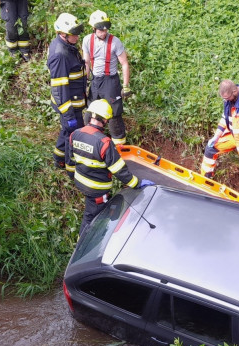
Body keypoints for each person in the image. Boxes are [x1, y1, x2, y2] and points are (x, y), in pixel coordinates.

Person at [66, 99, 155, 235]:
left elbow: (70, 160)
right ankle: (83, 245)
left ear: (90, 116)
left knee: (101, 210)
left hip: (81, 182)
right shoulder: (104, 143)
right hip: (97, 190)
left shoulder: (75, 134)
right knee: (91, 218)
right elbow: (119, 170)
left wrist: (74, 176)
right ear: (105, 120)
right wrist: (137, 183)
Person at [200, 80, 239, 202]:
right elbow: (225, 118)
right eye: (224, 98)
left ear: (235, 91)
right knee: (210, 150)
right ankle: (205, 181)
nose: (226, 100)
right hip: (234, 136)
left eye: (228, 98)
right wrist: (216, 137)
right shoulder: (228, 99)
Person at [82, 10, 132, 147]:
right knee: (91, 110)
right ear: (93, 28)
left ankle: (120, 147)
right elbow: (86, 62)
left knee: (115, 114)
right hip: (95, 81)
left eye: (105, 30)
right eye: (100, 30)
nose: (103, 32)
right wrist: (85, 80)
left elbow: (124, 63)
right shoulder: (87, 40)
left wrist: (126, 85)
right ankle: (90, 141)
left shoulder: (115, 42)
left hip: (110, 81)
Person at [47, 13, 87, 170]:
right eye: (73, 34)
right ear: (62, 34)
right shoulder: (60, 55)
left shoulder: (67, 46)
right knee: (74, 136)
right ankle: (72, 169)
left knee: (66, 131)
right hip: (68, 104)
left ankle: (58, 158)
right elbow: (59, 88)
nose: (77, 37)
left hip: (74, 100)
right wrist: (69, 114)